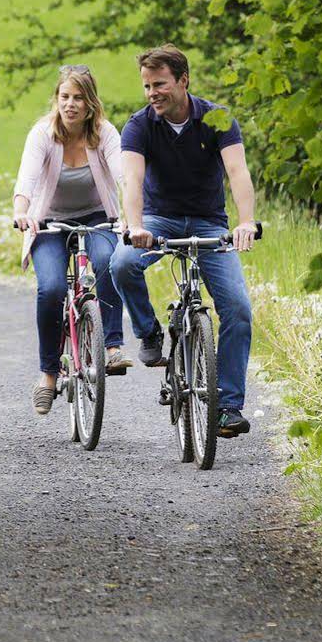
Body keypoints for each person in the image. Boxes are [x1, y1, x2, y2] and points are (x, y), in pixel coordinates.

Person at [108, 46, 261, 439]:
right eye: (146, 86)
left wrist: (246, 222)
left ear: (183, 81)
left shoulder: (216, 118)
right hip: (159, 220)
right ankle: (149, 333)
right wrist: (136, 226)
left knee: (238, 309)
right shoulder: (139, 125)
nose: (151, 93)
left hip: (209, 222)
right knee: (122, 263)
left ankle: (227, 406)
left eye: (159, 84)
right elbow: (133, 182)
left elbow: (238, 172)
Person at [11, 64, 131, 418]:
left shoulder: (105, 133)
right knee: (50, 289)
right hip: (48, 222)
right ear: (57, 100)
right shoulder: (43, 134)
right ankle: (48, 374)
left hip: (98, 218)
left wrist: (130, 217)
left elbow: (125, 176)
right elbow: (27, 181)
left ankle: (112, 347)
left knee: (109, 263)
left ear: (91, 103)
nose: (71, 104)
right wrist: (22, 212)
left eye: (79, 98)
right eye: (65, 97)